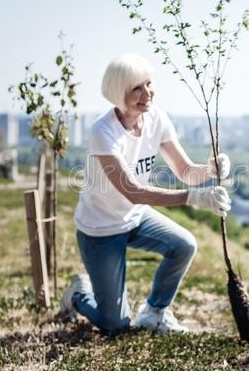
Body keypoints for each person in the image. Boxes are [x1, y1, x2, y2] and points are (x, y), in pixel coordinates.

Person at [60, 53, 231, 334]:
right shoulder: (103, 132)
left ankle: (154, 312)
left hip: (135, 218)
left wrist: (211, 170)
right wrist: (193, 198)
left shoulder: (157, 119)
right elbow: (133, 191)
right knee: (115, 326)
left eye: (149, 84)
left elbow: (185, 170)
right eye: (136, 88)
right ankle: (79, 294)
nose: (147, 93)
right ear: (118, 93)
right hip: (100, 229)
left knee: (184, 245)